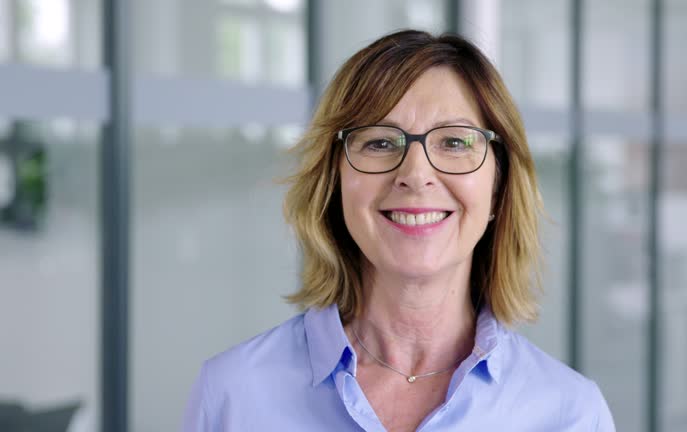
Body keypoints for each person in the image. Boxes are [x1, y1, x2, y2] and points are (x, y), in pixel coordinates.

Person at [182, 29, 615, 432]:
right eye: (380, 142)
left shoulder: (570, 413)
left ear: (498, 190)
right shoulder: (231, 397)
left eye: (455, 142)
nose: (416, 174)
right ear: (335, 184)